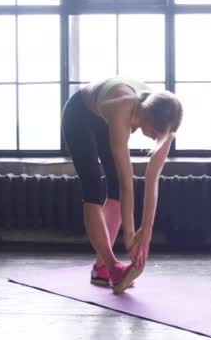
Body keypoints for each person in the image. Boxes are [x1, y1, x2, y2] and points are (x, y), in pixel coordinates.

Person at [61, 76, 183, 294]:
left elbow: (152, 179)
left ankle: (100, 268)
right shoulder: (122, 108)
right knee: (94, 191)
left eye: (160, 135)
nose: (155, 139)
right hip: (79, 115)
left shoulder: (168, 122)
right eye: (154, 133)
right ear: (145, 116)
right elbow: (128, 183)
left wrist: (145, 233)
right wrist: (129, 239)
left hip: (102, 118)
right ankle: (111, 266)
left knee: (115, 189)